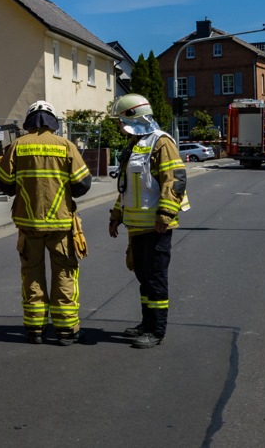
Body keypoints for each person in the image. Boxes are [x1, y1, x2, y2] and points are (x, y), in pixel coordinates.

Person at [0, 100, 92, 346]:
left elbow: (4, 183)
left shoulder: (17, 146)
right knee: (64, 274)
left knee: (32, 275)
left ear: (29, 121)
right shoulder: (65, 146)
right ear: (53, 122)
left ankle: (35, 330)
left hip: (28, 225)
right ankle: (66, 331)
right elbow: (82, 185)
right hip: (61, 225)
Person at [107, 94, 189, 349]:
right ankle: (146, 323)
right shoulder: (134, 144)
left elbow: (174, 179)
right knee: (143, 277)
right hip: (137, 226)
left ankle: (156, 330)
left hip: (156, 226)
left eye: (120, 120)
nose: (119, 126)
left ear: (133, 117)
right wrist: (116, 216)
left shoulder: (161, 142)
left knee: (155, 279)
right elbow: (128, 187)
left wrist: (165, 215)